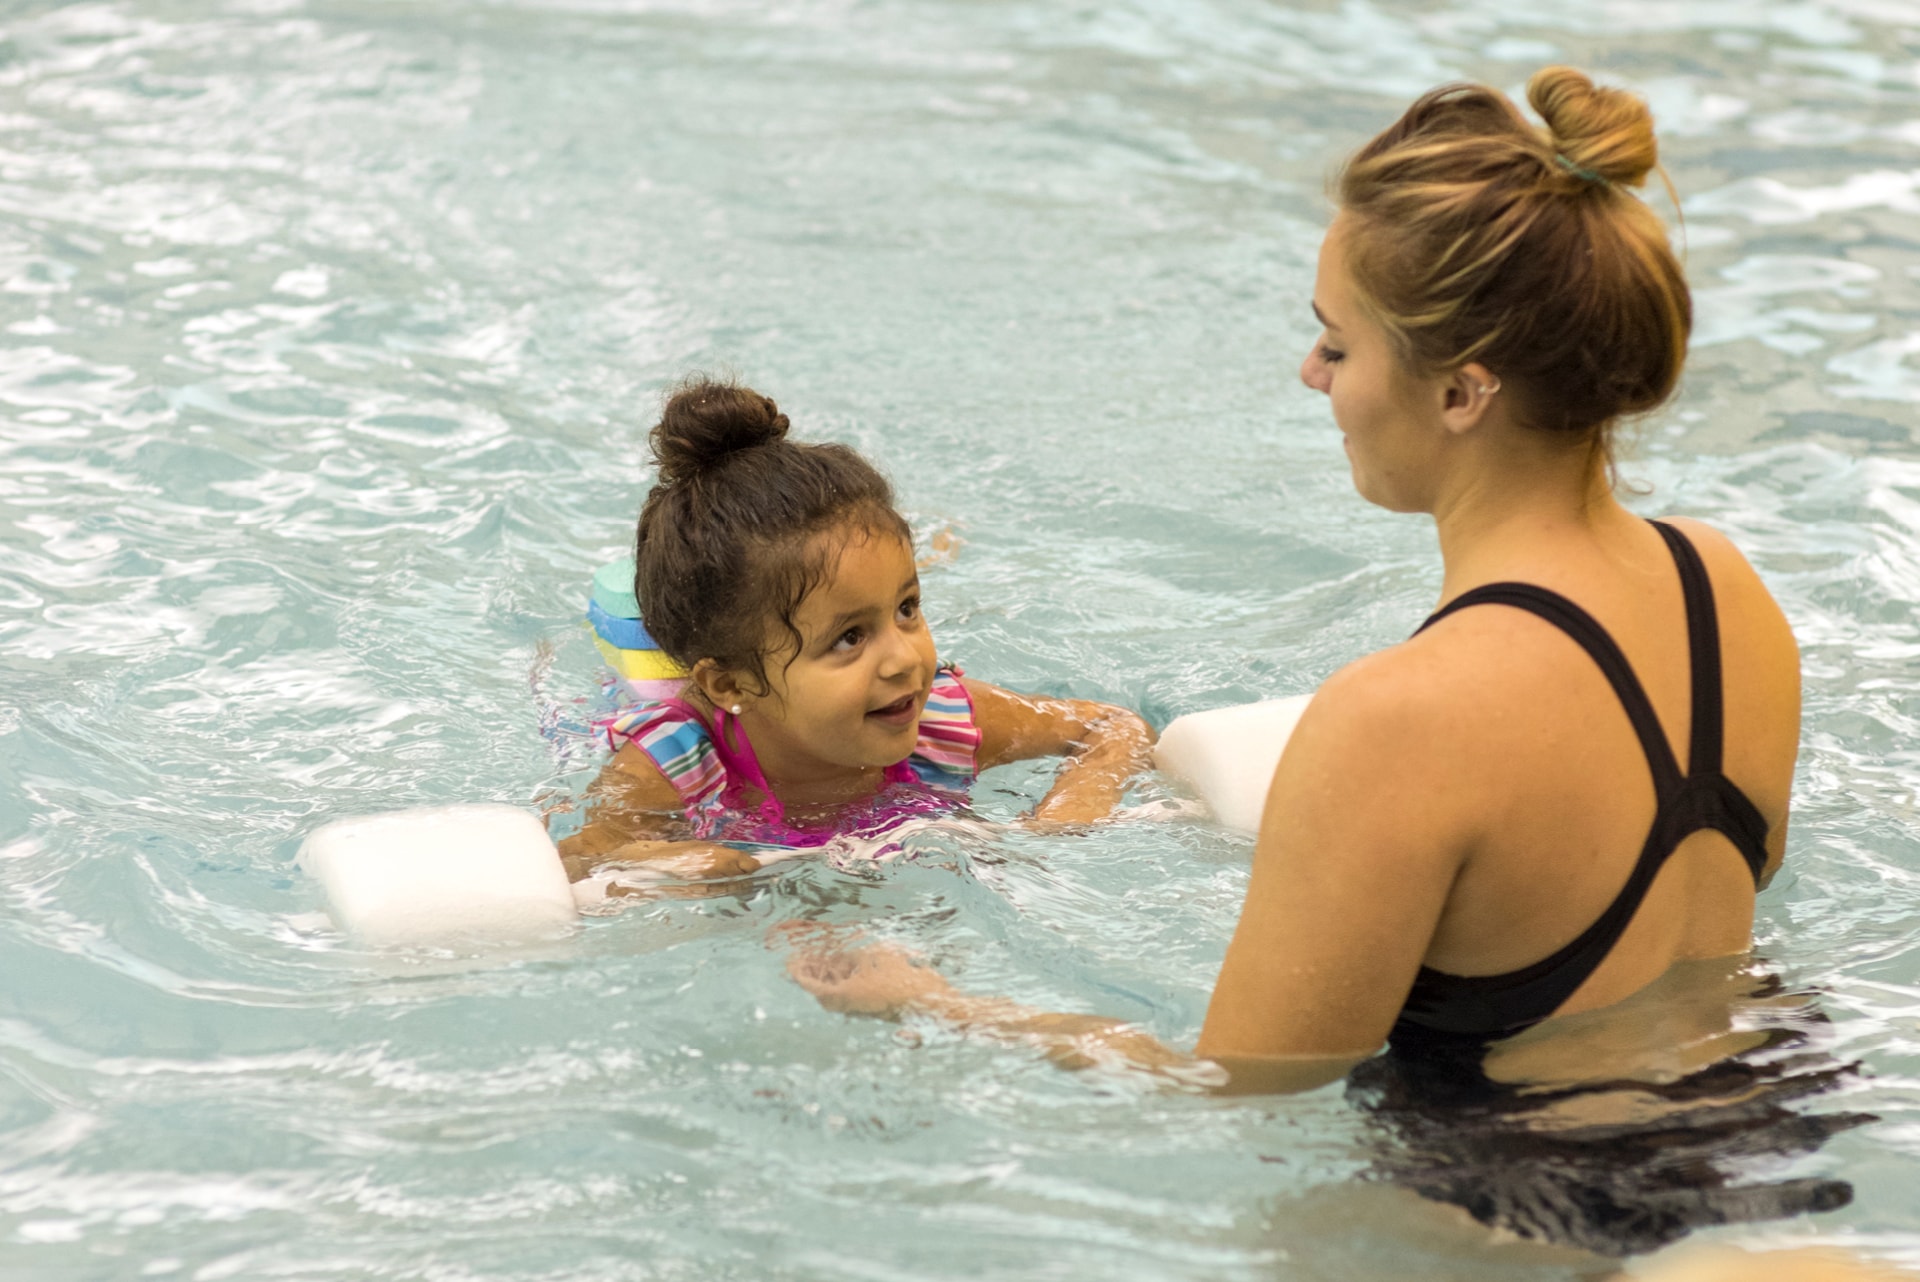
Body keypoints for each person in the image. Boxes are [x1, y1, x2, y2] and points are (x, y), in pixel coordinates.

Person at [787, 65, 1803, 1085]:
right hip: (1768, 1144)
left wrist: (930, 1000)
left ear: (1461, 391)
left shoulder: (1396, 721)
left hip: (1514, 1229)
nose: (1312, 376)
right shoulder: (1725, 589)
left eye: (1336, 341)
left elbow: (1233, 1092)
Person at [557, 376, 1154, 884]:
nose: (903, 661)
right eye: (849, 638)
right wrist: (677, 865)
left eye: (907, 608)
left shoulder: (945, 723)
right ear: (731, 684)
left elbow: (1111, 726)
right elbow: (576, 860)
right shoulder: (672, 767)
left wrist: (1068, 809)